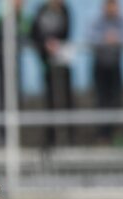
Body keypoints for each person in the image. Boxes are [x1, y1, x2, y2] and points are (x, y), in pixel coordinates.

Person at [30, 0, 74, 147]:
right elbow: (34, 34)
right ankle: (51, 138)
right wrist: (45, 46)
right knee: (49, 99)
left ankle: (67, 136)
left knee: (66, 98)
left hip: (62, 62)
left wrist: (57, 45)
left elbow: (67, 32)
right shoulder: (40, 11)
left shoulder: (65, 11)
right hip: (46, 63)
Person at [0, 0, 29, 138]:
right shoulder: (0, 17)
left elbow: (27, 36)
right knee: (0, 99)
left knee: (16, 98)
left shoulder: (23, 19)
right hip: (1, 64)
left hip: (15, 64)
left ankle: (13, 136)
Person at [88, 0, 123, 144]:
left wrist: (117, 38)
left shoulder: (122, 20)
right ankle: (103, 136)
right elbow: (90, 36)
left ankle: (116, 134)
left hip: (115, 66)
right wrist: (104, 39)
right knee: (101, 101)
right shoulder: (97, 21)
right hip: (100, 66)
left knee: (116, 100)